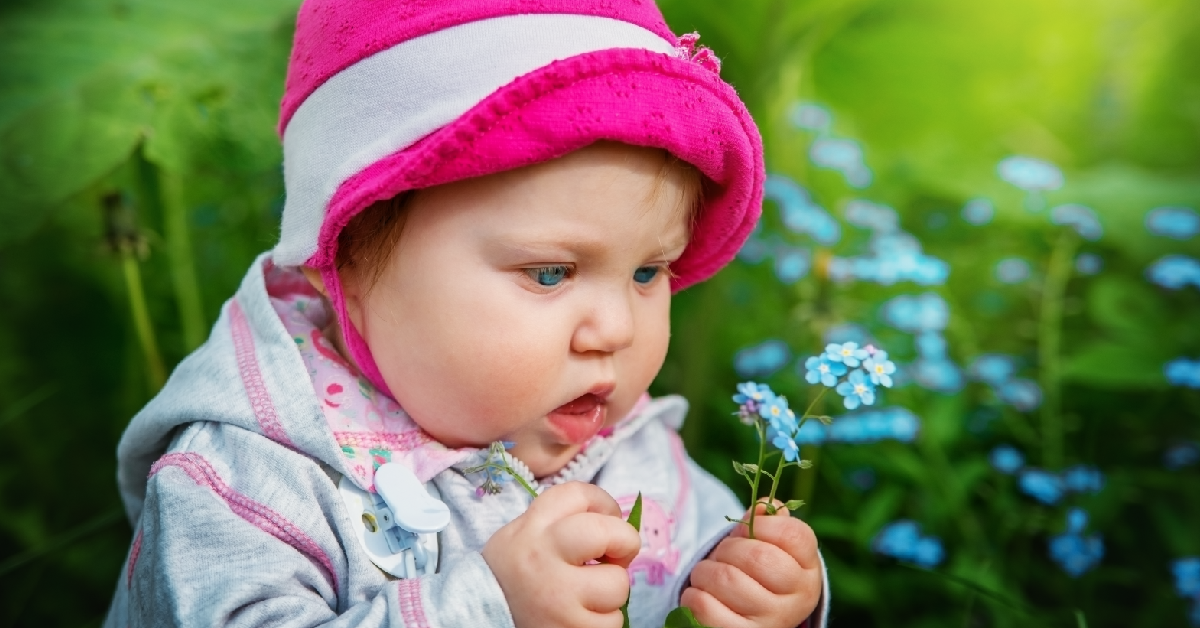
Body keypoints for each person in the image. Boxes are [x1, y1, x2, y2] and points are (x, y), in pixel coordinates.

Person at [103, 1, 830, 626]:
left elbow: (692, 572)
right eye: (550, 273)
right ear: (344, 263)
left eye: (648, 272)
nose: (616, 329)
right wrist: (488, 606)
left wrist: (749, 592)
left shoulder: (631, 448)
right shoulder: (253, 478)